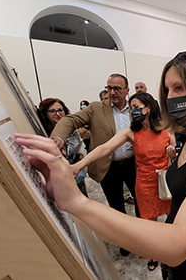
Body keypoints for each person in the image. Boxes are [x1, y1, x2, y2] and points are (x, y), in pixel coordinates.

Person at [14, 51, 186, 280]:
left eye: (179, 88)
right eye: (167, 90)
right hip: (176, 257)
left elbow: (178, 243)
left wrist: (76, 201)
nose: (171, 97)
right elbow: (103, 147)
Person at [71, 92, 174, 271]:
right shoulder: (130, 132)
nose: (133, 111)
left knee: (172, 216)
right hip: (145, 183)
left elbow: (177, 153)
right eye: (132, 108)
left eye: (137, 107)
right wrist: (81, 164)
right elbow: (104, 147)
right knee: (149, 222)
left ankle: (172, 250)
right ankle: (154, 254)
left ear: (148, 108)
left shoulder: (166, 128)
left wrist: (173, 154)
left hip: (166, 179)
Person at [51, 74, 139, 257]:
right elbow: (69, 120)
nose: (112, 92)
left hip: (134, 164)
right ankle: (125, 240)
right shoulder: (96, 108)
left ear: (127, 91)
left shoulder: (136, 108)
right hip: (108, 167)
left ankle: (142, 238)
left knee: (141, 202)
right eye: (109, 88)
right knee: (116, 206)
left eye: (117, 88)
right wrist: (59, 137)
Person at [38, 98, 87, 196]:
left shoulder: (72, 129)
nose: (57, 113)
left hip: (76, 173)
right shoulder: (43, 133)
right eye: (52, 111)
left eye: (60, 110)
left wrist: (81, 155)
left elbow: (81, 145)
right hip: (59, 179)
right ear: (45, 113)